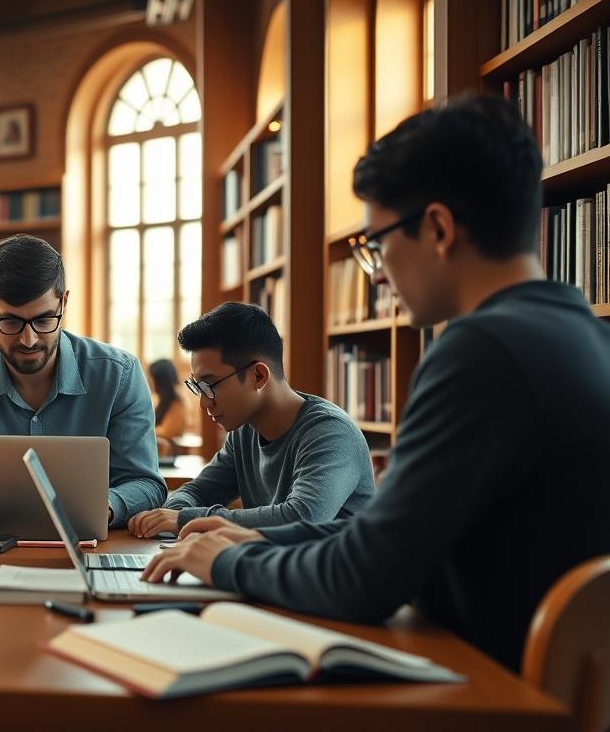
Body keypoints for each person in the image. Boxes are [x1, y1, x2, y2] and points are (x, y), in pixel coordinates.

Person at [142, 95, 610, 672]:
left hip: (481, 689)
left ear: (438, 228)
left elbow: (361, 580)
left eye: (377, 244)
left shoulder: (481, 352)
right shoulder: (580, 335)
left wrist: (224, 562)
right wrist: (254, 541)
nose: (380, 272)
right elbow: (382, 539)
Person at [0, 234, 165, 529]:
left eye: (43, 320)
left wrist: (98, 510)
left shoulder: (119, 375)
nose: (29, 340)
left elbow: (145, 484)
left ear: (64, 302)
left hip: (89, 550)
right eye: (11, 322)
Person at [126, 302, 375, 537]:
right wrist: (176, 511)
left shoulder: (331, 433)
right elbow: (197, 491)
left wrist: (186, 519)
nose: (203, 402)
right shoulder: (244, 432)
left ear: (258, 375)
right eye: (197, 387)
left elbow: (304, 517)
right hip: (272, 573)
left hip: (333, 580)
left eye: (210, 385)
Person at [149, 358, 185, 457]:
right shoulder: (157, 399)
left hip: (170, 453)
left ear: (161, 380)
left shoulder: (177, 401)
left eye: (152, 377)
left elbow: (169, 431)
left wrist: (144, 430)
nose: (149, 381)